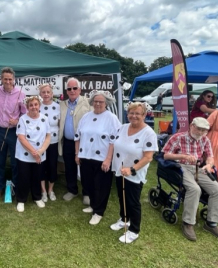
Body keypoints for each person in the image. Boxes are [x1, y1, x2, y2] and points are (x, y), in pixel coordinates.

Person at [162, 117, 218, 241]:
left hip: (198, 168)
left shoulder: (205, 139)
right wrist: (184, 156)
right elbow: (166, 155)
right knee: (194, 189)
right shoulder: (178, 137)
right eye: (198, 129)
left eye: (204, 130)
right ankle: (188, 223)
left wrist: (209, 164)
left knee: (217, 189)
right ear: (191, 126)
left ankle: (211, 223)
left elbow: (210, 156)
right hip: (181, 166)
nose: (200, 132)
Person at [111, 102, 158, 243]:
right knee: (122, 196)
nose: (134, 116)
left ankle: (134, 230)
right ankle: (124, 219)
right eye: (131, 113)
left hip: (134, 173)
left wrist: (131, 169)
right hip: (120, 169)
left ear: (144, 115)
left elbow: (148, 157)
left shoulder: (149, 133)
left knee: (133, 202)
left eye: (138, 113)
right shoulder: (123, 127)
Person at [75, 90, 121, 225]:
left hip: (102, 158)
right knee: (88, 183)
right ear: (92, 102)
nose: (98, 104)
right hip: (85, 156)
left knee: (101, 186)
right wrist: (77, 153)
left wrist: (108, 159)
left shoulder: (111, 118)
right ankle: (93, 205)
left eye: (101, 102)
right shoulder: (86, 117)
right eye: (96, 101)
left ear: (106, 103)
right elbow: (77, 136)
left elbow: (114, 140)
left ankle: (99, 212)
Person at [0, 67, 26, 199]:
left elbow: (25, 114)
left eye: (10, 79)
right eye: (5, 79)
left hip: (13, 132)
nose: (7, 81)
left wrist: (17, 121)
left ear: (14, 80)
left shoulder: (20, 94)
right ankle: (0, 188)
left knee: (14, 162)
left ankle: (15, 186)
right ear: (1, 79)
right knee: (0, 161)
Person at [15, 95, 51, 212]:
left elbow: (48, 136)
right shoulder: (23, 119)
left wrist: (40, 151)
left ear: (39, 106)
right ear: (27, 107)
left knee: (37, 177)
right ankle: (21, 200)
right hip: (24, 155)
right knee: (23, 177)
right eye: (31, 105)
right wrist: (33, 152)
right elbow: (21, 137)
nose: (33, 107)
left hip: (40, 154)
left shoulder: (45, 118)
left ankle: (37, 197)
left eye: (35, 104)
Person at [58, 77, 91, 204]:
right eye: (69, 88)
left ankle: (87, 193)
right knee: (69, 167)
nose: (72, 91)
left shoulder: (88, 102)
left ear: (80, 89)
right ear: (66, 91)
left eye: (75, 88)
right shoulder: (62, 104)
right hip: (67, 141)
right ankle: (72, 190)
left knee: (85, 168)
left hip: (84, 142)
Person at [38, 83, 60, 202]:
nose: (46, 94)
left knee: (52, 165)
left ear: (52, 94)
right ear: (40, 94)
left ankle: (51, 189)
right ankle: (43, 191)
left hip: (53, 141)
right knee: (41, 166)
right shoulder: (38, 107)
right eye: (43, 92)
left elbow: (60, 124)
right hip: (40, 142)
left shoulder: (57, 107)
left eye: (48, 92)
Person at [207, 110, 218, 181]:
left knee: (212, 163)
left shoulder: (217, 112)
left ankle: (212, 182)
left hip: (214, 140)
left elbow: (206, 125)